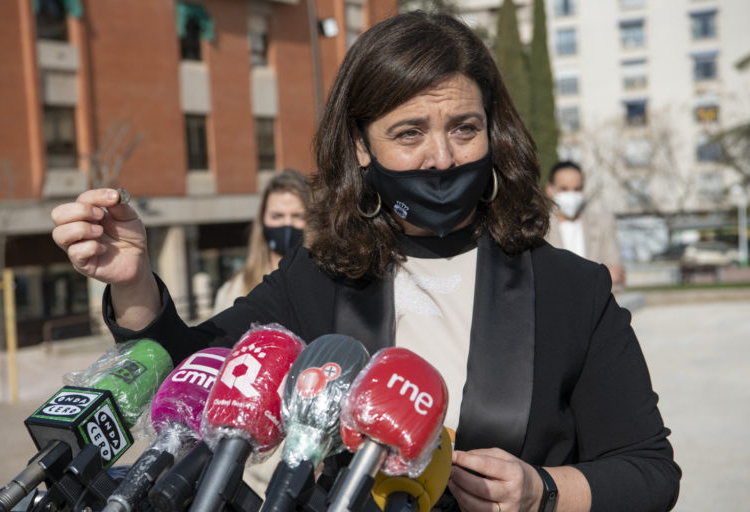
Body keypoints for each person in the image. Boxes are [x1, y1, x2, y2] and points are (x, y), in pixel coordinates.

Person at [51, 11, 680, 512]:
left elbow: (649, 471)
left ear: (494, 131)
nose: (442, 157)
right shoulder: (317, 277)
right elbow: (194, 379)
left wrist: (542, 491)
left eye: (464, 127)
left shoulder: (572, 288)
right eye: (409, 134)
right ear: (360, 145)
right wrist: (132, 282)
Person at [212, 169, 311, 313]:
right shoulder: (235, 290)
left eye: (297, 216)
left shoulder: (325, 283)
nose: (287, 223)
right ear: (262, 221)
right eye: (277, 216)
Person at [544, 161, 626, 287]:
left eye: (577, 189)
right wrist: (600, 276)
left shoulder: (603, 224)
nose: (571, 194)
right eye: (564, 189)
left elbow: (618, 276)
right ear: (550, 189)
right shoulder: (540, 228)